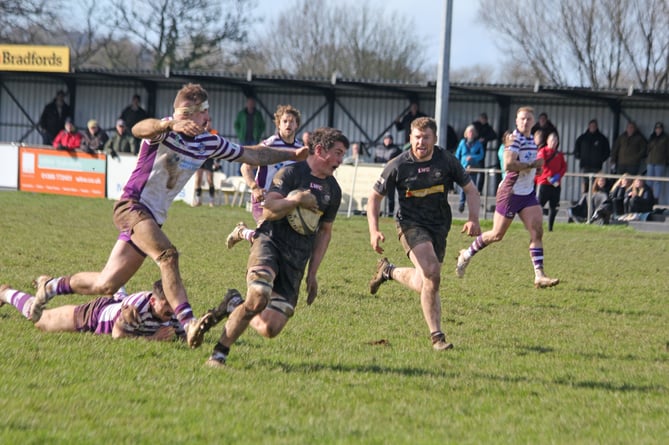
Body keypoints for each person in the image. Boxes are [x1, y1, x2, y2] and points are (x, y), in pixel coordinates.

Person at [29, 83, 309, 350]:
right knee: (168, 256)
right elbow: (139, 128)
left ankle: (50, 286)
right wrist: (167, 124)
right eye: (204, 112)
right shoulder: (165, 130)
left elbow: (253, 154)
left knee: (107, 284)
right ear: (190, 115)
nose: (208, 116)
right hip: (132, 206)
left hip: (151, 219)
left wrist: (293, 154)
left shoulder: (208, 142)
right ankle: (188, 324)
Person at [202, 127, 348, 367]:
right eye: (338, 153)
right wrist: (295, 200)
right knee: (259, 297)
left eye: (342, 154)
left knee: (270, 328)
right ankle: (219, 354)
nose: (341, 161)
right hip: (270, 241)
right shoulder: (290, 172)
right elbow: (268, 209)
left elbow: (325, 232)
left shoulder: (334, 190)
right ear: (320, 150)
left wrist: (313, 273)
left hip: (297, 257)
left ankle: (234, 304)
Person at [366, 117, 481, 351]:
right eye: (417, 137)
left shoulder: (447, 160)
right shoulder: (398, 164)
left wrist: (473, 218)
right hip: (410, 225)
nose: (421, 142)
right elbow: (374, 198)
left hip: (439, 227)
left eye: (426, 137)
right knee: (432, 273)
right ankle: (437, 337)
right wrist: (374, 230)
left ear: (435, 139)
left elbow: (471, 190)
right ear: (410, 138)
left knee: (424, 281)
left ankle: (388, 271)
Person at [456, 106, 559, 289]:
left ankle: (539, 275)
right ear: (516, 121)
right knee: (496, 235)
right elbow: (509, 164)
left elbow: (530, 167)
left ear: (533, 122)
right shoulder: (514, 139)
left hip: (527, 194)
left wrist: (538, 167)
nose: (525, 122)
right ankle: (466, 254)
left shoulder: (531, 141)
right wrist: (531, 164)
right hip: (510, 193)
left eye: (528, 119)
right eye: (522, 119)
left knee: (537, 231)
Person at [0, 280, 183, 341]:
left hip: (117, 304)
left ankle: (117, 289)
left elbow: (187, 333)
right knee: (39, 319)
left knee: (118, 298)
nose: (171, 309)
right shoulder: (136, 309)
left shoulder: (175, 310)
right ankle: (5, 293)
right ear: (153, 300)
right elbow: (118, 336)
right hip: (95, 316)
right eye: (166, 304)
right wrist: (152, 339)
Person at [226, 104, 303, 247]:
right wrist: (254, 187)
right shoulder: (269, 145)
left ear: (297, 125)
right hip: (263, 198)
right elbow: (246, 166)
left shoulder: (300, 149)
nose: (288, 124)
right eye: (285, 121)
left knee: (280, 240)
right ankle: (242, 232)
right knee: (265, 238)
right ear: (278, 124)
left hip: (286, 201)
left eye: (292, 121)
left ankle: (242, 232)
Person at [535, 132, 567, 231]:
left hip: (556, 184)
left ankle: (550, 228)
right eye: (552, 140)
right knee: (539, 206)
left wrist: (558, 176)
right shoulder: (542, 151)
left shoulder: (559, 154)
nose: (554, 142)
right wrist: (549, 176)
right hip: (544, 183)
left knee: (554, 206)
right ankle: (536, 226)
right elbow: (541, 165)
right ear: (548, 141)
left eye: (556, 141)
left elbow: (564, 167)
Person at [574, 119, 611, 193]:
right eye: (591, 126)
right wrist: (578, 156)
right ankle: (584, 199)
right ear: (588, 126)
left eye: (594, 126)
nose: (592, 127)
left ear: (597, 127)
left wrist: (601, 159)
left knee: (595, 183)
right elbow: (576, 149)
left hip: (596, 166)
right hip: (585, 165)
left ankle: (593, 199)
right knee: (585, 182)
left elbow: (607, 152)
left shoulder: (602, 138)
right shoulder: (582, 137)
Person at [454, 124, 484, 213]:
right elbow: (457, 155)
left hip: (473, 169)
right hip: (463, 168)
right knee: (463, 186)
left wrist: (472, 157)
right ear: (466, 133)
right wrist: (457, 165)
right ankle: (461, 203)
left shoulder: (478, 144)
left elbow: (481, 155)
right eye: (469, 132)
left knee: (472, 187)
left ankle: (472, 205)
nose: (471, 133)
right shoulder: (462, 143)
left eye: (472, 132)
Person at [373, 133, 402, 216]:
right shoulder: (378, 149)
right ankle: (378, 212)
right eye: (386, 139)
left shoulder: (396, 150)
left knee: (390, 196)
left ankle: (390, 213)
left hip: (391, 175)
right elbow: (375, 161)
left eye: (389, 139)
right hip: (379, 175)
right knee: (378, 194)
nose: (388, 140)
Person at [193, 120, 220, 207]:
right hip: (200, 159)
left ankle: (211, 201)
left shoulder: (214, 133)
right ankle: (198, 200)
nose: (207, 124)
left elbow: (220, 147)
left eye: (209, 122)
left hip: (210, 159)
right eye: (205, 122)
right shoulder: (199, 133)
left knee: (210, 180)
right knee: (198, 179)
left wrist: (217, 161)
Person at [646, 121, 669, 204]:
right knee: (649, 181)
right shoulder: (652, 137)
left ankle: (656, 198)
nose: (658, 130)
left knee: (657, 181)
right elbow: (648, 148)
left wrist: (666, 160)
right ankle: (648, 197)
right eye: (657, 128)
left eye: (659, 128)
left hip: (660, 162)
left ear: (662, 129)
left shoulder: (665, 138)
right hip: (650, 161)